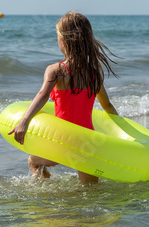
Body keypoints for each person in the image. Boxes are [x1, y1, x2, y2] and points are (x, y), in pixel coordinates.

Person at [8, 11, 119, 184]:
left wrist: (24, 121)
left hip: (62, 142)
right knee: (91, 191)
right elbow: (108, 106)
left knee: (34, 161)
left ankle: (48, 191)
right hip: (87, 143)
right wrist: (121, 132)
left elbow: (43, 95)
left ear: (63, 43)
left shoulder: (56, 70)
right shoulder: (93, 74)